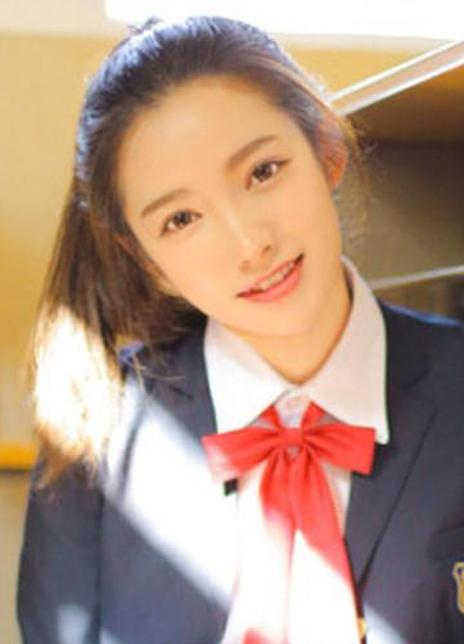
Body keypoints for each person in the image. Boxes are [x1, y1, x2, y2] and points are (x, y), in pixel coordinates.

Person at [16, 14, 464, 644]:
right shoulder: (96, 435)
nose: (249, 245)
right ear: (144, 257)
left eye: (263, 171)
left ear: (327, 147)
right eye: (181, 219)